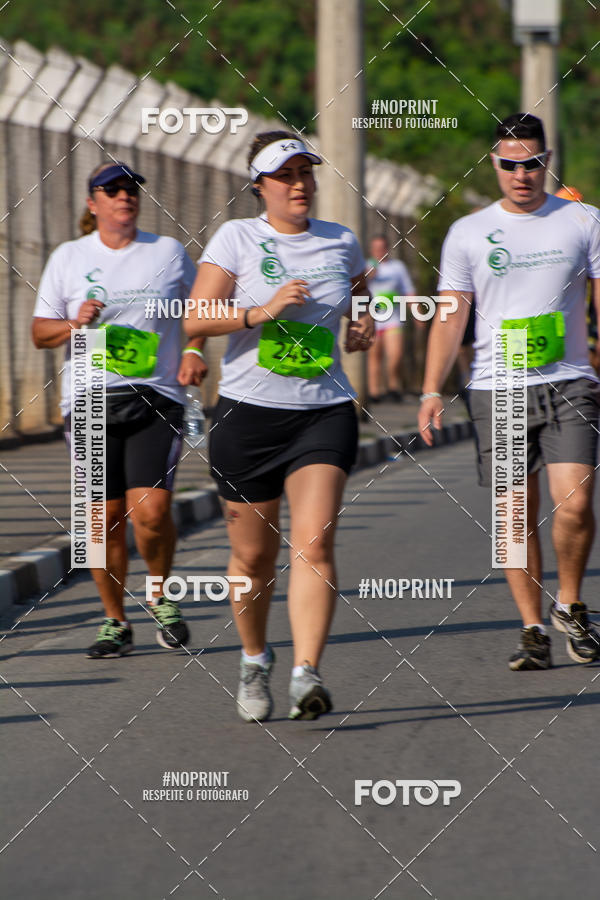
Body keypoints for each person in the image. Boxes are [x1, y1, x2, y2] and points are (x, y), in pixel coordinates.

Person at [184, 131, 374, 722]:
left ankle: (305, 672)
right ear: (260, 186)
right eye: (285, 176)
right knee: (252, 560)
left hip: (324, 410)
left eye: (305, 173)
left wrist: (363, 322)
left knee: (314, 544)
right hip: (249, 415)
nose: (299, 185)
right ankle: (254, 658)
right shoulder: (237, 238)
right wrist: (260, 311)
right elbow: (196, 316)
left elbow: (361, 291)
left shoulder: (340, 240)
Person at [418, 113, 600, 670]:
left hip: (569, 379)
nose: (522, 175)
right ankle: (531, 629)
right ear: (494, 164)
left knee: (576, 503)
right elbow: (450, 317)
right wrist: (430, 390)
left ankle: (569, 604)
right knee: (514, 517)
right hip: (498, 387)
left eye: (533, 163)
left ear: (548, 161)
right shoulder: (468, 233)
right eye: (510, 165)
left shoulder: (583, 220)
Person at [32, 161, 207, 658]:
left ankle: (161, 596)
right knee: (100, 521)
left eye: (131, 189)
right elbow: (40, 332)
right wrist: (73, 324)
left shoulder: (167, 252)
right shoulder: (69, 257)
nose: (124, 195)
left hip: (155, 395)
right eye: (112, 189)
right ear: (93, 203)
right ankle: (115, 621)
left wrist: (193, 350)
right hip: (89, 399)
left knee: (150, 512)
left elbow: (201, 311)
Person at [366, 235, 416, 402]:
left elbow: (408, 290)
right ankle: (374, 392)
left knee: (396, 355)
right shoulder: (366, 266)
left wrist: (417, 312)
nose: (379, 251)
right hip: (374, 320)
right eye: (376, 248)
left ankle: (394, 387)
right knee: (375, 357)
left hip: (393, 319)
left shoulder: (397, 267)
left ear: (387, 249)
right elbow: (356, 288)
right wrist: (367, 276)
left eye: (382, 248)